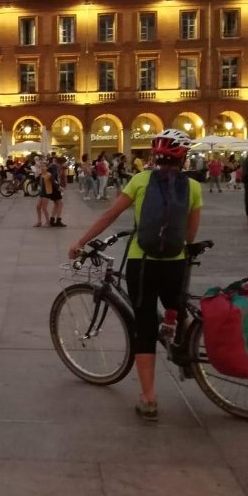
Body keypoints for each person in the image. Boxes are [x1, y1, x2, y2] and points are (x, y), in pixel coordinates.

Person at [68, 129, 201, 422]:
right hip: (174, 262)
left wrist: (81, 242)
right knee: (176, 307)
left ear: (155, 156)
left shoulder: (140, 181)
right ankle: (185, 345)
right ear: (183, 159)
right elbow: (191, 233)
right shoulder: (193, 188)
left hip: (144, 262)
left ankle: (149, 398)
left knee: (144, 326)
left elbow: (109, 216)